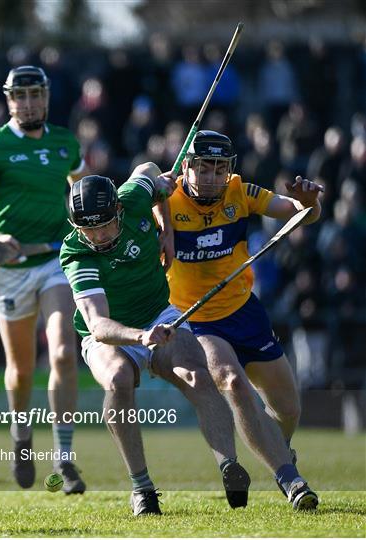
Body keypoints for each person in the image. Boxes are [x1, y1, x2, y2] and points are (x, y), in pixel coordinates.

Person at [166, 130, 323, 509]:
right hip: (197, 319)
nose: (212, 178)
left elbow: (302, 215)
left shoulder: (242, 193)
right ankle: (291, 480)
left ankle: (278, 450)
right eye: (203, 168)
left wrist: (310, 202)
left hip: (244, 312)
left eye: (220, 169)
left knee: (288, 410)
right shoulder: (165, 202)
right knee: (231, 380)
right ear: (186, 167)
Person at [0, 66, 86, 494]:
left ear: (46, 97)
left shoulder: (65, 142)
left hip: (54, 261)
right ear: (10, 100)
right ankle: (21, 437)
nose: (28, 103)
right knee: (21, 371)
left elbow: (88, 193)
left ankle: (64, 460)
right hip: (9, 269)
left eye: (35, 95)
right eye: (20, 96)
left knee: (64, 352)